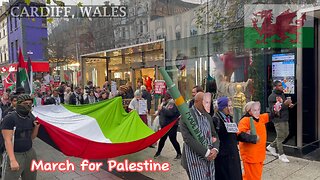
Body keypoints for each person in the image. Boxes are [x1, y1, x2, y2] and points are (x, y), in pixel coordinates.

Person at [180, 92, 220, 180]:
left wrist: (215, 149)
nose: (207, 104)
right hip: (193, 158)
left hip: (209, 159)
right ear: (197, 101)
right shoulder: (187, 116)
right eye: (205, 101)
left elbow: (214, 135)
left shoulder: (208, 116)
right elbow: (188, 138)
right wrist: (206, 152)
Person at [1, 94, 40, 180]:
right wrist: (12, 160)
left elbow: (31, 137)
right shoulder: (10, 118)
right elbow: (7, 140)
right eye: (25, 103)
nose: (28, 106)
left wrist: (36, 127)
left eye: (30, 103)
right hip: (15, 154)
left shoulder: (30, 116)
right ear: (18, 104)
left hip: (30, 153)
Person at [237, 101, 269, 180]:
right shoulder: (245, 120)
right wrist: (253, 138)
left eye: (258, 109)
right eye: (255, 110)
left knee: (251, 176)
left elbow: (271, 115)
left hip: (259, 156)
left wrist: (280, 106)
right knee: (253, 177)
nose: (257, 112)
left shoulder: (260, 118)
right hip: (251, 156)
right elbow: (239, 135)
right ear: (249, 111)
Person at [213, 97, 242, 180]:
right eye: (229, 106)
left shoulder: (229, 118)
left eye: (231, 106)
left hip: (232, 154)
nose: (231, 108)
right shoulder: (216, 120)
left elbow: (234, 134)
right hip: (224, 157)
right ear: (223, 108)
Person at [267, 80, 294, 163]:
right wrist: (284, 104)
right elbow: (274, 109)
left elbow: (283, 105)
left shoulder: (282, 94)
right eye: (279, 85)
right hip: (278, 119)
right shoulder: (272, 96)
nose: (282, 87)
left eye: (281, 85)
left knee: (286, 134)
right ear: (275, 87)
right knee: (280, 137)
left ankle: (271, 146)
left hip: (285, 117)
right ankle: (281, 154)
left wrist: (289, 105)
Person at [154, 93, 181, 160]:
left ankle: (179, 153)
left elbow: (170, 113)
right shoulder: (165, 102)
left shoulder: (172, 102)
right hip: (165, 125)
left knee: (173, 139)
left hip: (171, 125)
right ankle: (158, 152)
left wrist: (162, 108)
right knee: (162, 139)